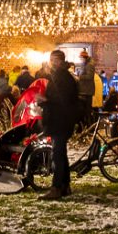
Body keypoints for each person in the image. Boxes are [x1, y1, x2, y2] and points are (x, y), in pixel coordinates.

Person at [38, 49, 79, 201]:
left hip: (60, 121)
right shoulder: (59, 76)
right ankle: (65, 186)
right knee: (61, 154)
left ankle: (56, 188)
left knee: (57, 156)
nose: (52, 63)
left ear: (61, 61)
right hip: (60, 120)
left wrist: (45, 100)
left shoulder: (63, 77)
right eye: (51, 60)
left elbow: (62, 100)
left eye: (54, 60)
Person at [76, 50, 96, 129]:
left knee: (87, 111)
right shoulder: (85, 65)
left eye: (81, 58)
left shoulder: (89, 65)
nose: (80, 60)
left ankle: (90, 127)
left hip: (87, 91)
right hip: (84, 91)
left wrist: (79, 77)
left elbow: (90, 76)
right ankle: (87, 127)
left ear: (84, 58)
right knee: (85, 111)